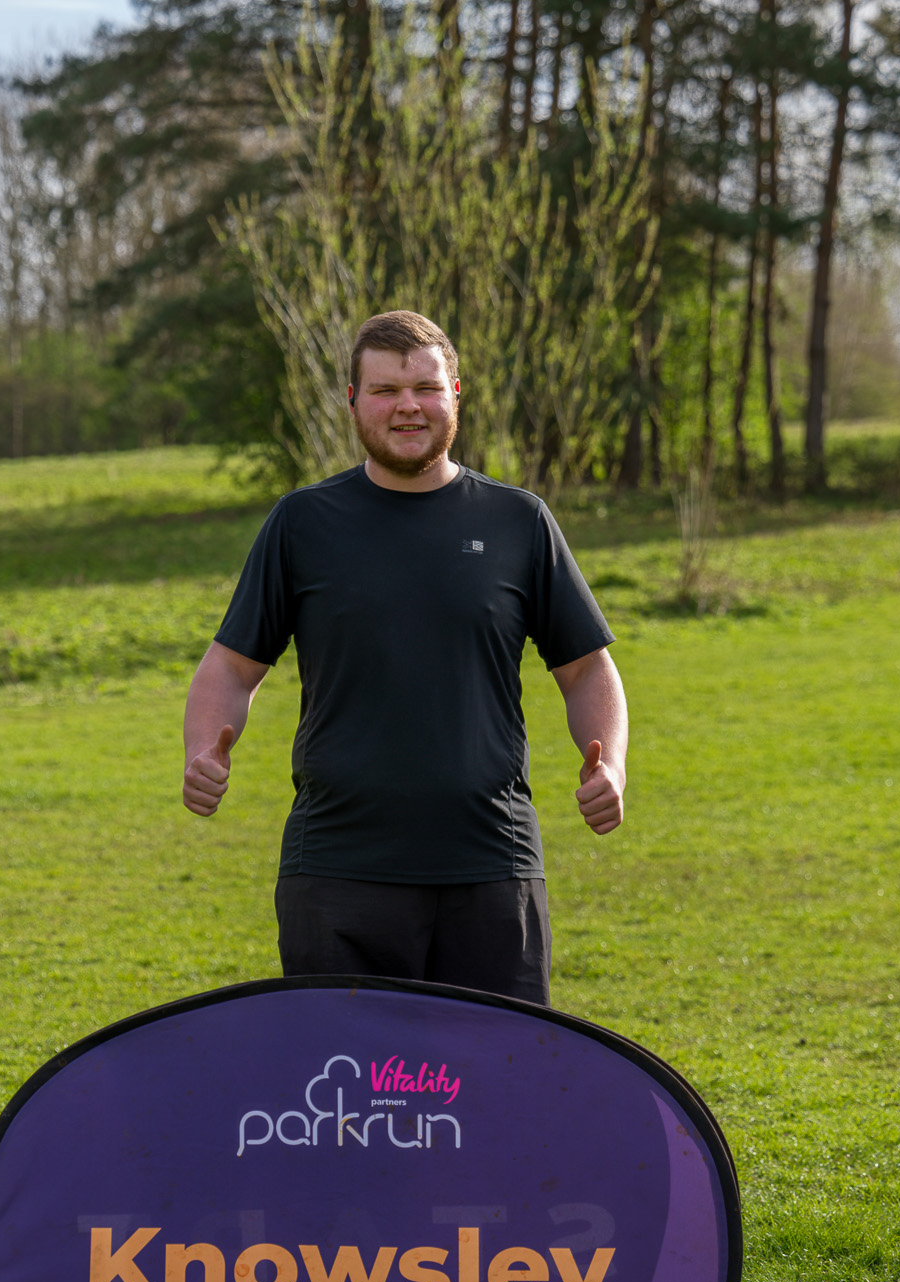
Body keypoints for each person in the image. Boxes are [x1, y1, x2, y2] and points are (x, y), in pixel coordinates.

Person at [180, 310, 626, 1006]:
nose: (408, 405)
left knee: (497, 1091)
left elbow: (586, 668)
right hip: (336, 869)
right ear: (354, 400)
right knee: (344, 1104)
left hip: (491, 866)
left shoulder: (518, 521)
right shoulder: (302, 523)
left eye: (425, 386)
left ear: (456, 392)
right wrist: (205, 750)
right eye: (385, 390)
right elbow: (233, 666)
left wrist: (612, 764)